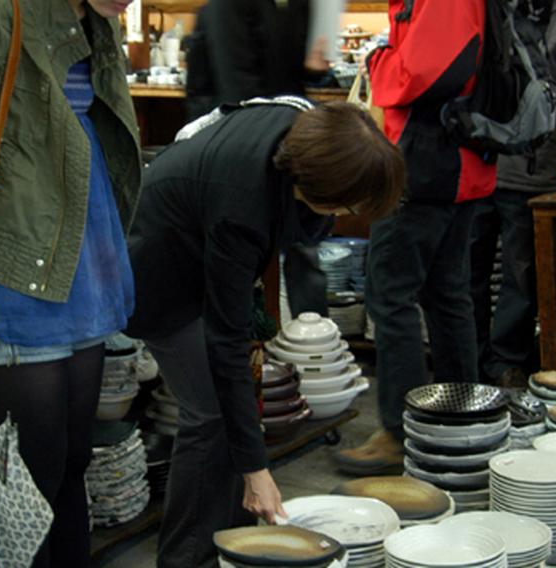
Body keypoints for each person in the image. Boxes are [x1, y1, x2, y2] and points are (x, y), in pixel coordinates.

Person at [126, 99, 405, 568]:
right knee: (210, 410)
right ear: (316, 187)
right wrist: (257, 470)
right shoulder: (242, 207)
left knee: (231, 409)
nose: (346, 214)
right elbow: (226, 341)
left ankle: (232, 541)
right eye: (347, 204)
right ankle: (186, 558)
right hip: (158, 275)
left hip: (197, 239)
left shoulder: (305, 128)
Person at [0, 0, 141, 566]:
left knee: (73, 459)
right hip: (15, 254)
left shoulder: (98, 14)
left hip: (84, 247)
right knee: (30, 472)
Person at [333, 0, 497, 476]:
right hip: (460, 164)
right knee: (448, 295)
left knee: (391, 296)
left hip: (427, 165)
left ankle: (400, 432)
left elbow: (427, 71)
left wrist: (377, 59)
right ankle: (458, 419)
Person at [471, 0, 556, 388]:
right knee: (463, 272)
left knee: (520, 275)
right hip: (478, 164)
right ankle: (468, 361)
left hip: (535, 173)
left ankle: (507, 365)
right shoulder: (489, 10)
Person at [184, 0, 329, 120]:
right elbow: (237, 89)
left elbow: (289, 74)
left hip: (277, 120)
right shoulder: (228, 5)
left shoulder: (294, 4)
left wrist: (313, 69)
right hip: (228, 127)